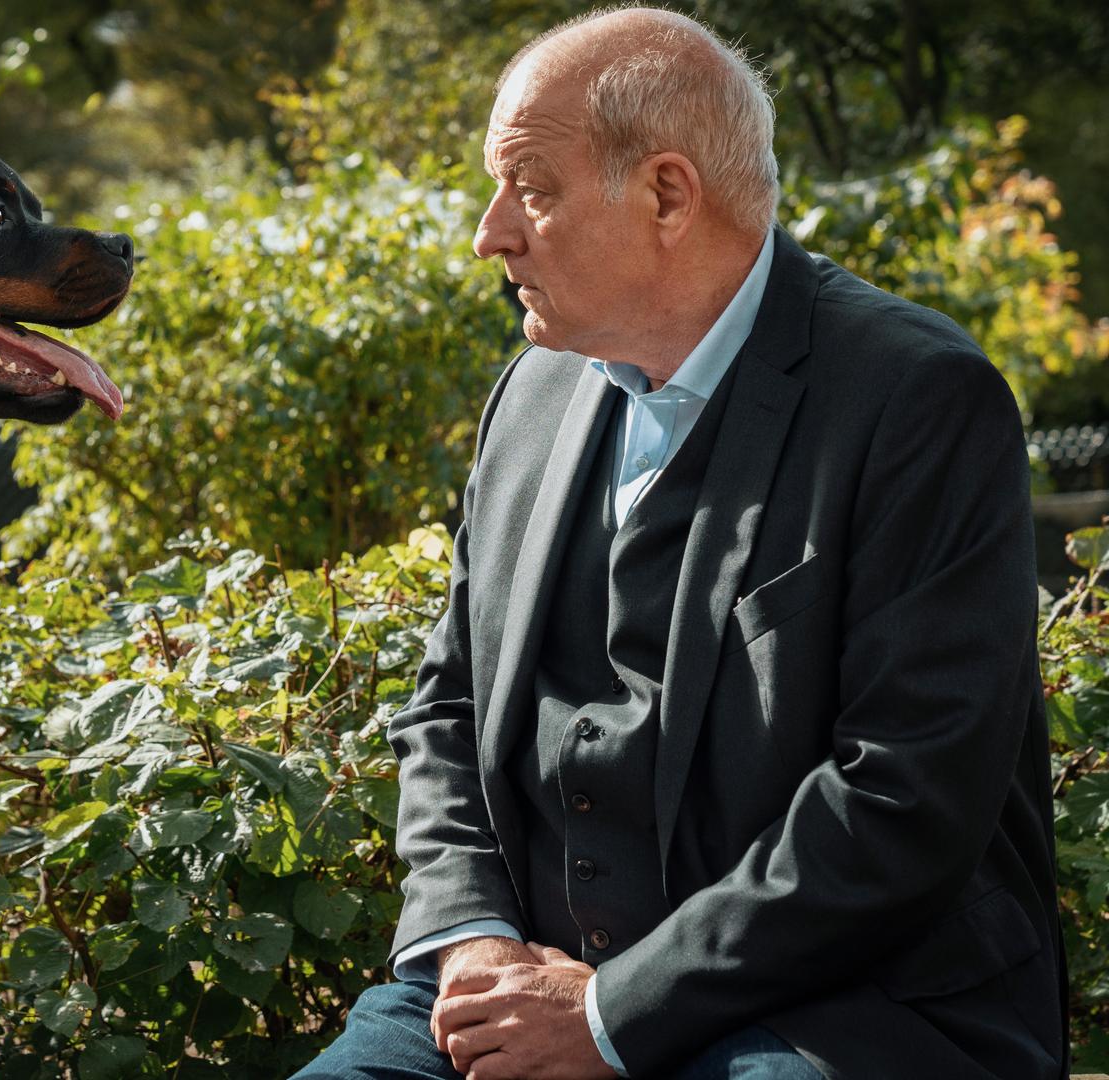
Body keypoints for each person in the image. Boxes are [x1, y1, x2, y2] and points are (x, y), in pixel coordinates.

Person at [295, 7, 1066, 1079]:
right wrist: (472, 941)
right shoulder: (531, 392)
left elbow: (905, 796)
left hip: (833, 1008)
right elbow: (448, 708)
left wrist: (611, 1013)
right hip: (521, 979)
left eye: (530, 188)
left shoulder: (919, 398)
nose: (490, 233)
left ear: (667, 193)